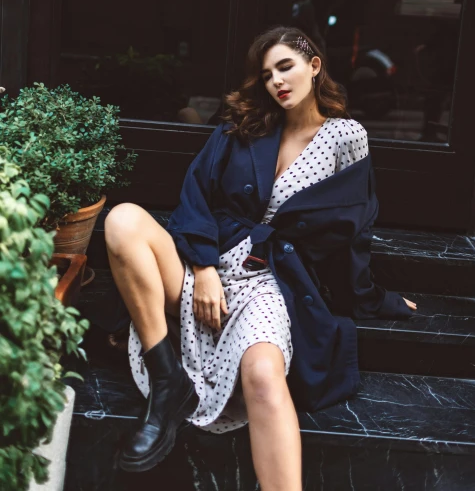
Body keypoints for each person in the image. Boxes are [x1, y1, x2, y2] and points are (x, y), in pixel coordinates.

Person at [104, 26, 417, 488]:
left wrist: (376, 298)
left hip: (270, 280)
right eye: (268, 74)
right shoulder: (243, 125)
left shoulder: (346, 137)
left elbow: (353, 234)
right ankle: (167, 381)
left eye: (286, 66)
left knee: (266, 377)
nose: (277, 81)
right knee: (123, 219)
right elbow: (196, 197)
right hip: (204, 265)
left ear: (315, 66)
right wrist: (204, 266)